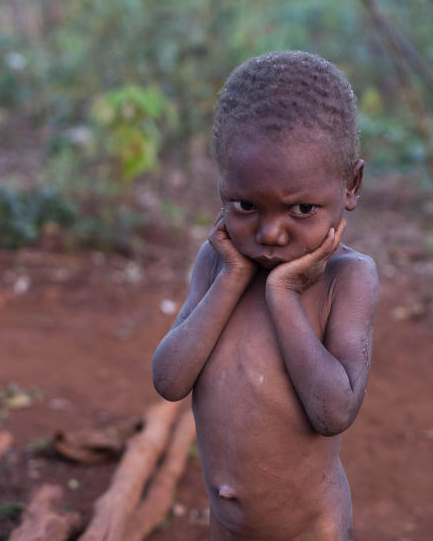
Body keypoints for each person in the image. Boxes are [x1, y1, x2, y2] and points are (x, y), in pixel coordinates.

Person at [152, 50, 379, 540]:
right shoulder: (218, 262)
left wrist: (283, 294)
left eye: (301, 208)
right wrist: (232, 278)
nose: (271, 233)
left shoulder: (347, 278)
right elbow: (169, 380)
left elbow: (333, 411)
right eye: (245, 205)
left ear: (351, 186)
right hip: (227, 529)